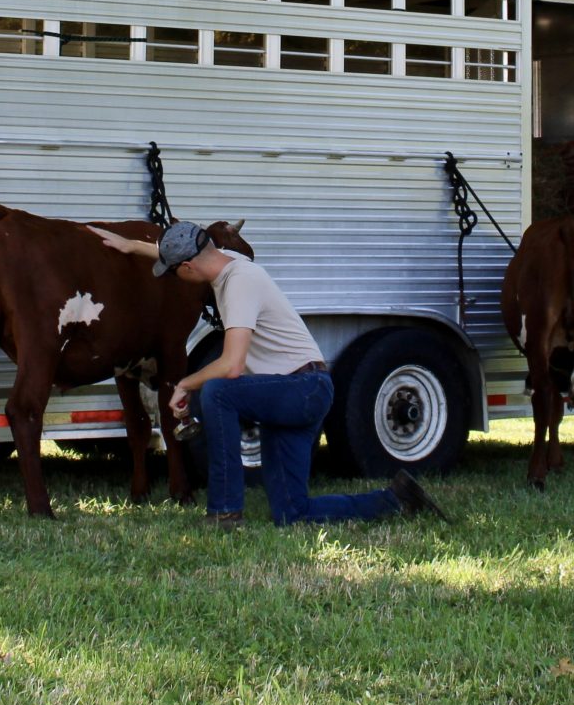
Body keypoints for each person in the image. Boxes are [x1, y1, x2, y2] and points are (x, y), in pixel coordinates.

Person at [90, 220, 447, 529]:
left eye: (174, 272)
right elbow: (185, 253)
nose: (176, 279)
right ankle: (396, 500)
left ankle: (225, 511)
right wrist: (132, 246)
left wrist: (184, 383)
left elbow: (232, 365)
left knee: (217, 391)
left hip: (301, 390)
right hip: (297, 390)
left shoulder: (238, 284)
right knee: (293, 512)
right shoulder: (228, 263)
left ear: (187, 268)